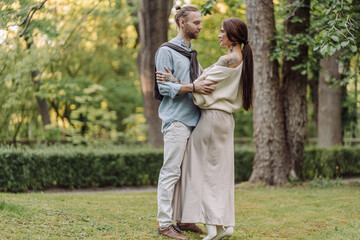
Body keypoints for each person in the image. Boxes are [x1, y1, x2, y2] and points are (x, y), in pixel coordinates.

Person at [156, 17, 253, 240]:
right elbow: (204, 76)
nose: (218, 34)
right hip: (226, 121)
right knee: (220, 174)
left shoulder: (227, 59)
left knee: (197, 171)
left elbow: (202, 86)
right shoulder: (243, 60)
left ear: (233, 37)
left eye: (222, 31)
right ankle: (223, 224)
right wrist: (184, 80)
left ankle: (210, 225)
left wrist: (176, 82)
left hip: (210, 119)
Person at [155, 5, 216, 240]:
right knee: (170, 171)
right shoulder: (165, 51)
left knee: (190, 173)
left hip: (196, 121)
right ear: (182, 23)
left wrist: (180, 81)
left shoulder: (192, 53)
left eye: (200, 22)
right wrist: (189, 86)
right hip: (177, 121)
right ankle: (164, 224)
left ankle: (186, 219)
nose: (200, 26)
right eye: (196, 23)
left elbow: (201, 80)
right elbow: (163, 87)